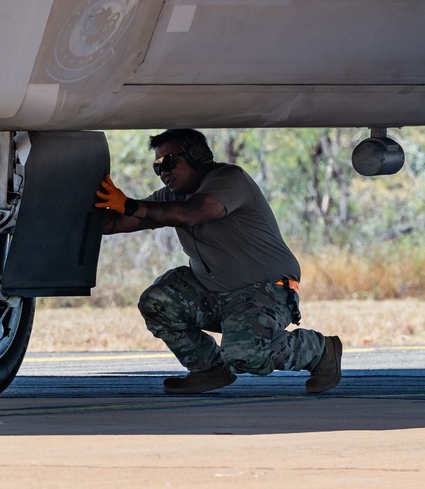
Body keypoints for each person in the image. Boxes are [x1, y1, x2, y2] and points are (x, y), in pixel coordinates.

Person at [94, 128, 342, 395]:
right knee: (158, 301)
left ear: (197, 156)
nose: (163, 172)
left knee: (245, 355)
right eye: (158, 166)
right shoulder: (171, 198)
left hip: (267, 289)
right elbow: (118, 222)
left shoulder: (229, 179)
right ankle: (208, 369)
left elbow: (194, 213)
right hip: (217, 293)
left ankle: (321, 350)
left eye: (169, 162)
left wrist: (129, 204)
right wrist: (83, 205)